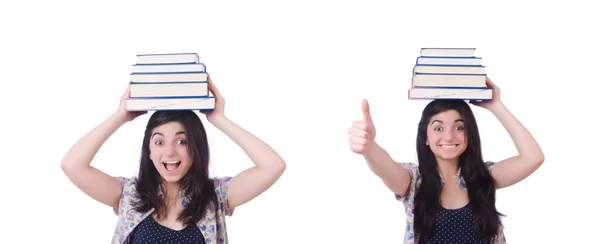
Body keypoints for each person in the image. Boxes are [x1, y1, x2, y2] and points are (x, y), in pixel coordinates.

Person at [61, 75, 287, 244]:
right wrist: (120, 116)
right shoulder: (129, 195)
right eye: (159, 142)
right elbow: (72, 165)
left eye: (182, 141)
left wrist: (219, 119)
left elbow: (272, 166)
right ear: (148, 151)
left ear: (196, 148)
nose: (169, 153)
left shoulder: (216, 196)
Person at [347, 77, 544, 244]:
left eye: (459, 128)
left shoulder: (484, 176)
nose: (449, 137)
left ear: (469, 134)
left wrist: (496, 106)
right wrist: (370, 147)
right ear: (425, 136)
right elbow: (386, 167)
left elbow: (533, 157)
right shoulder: (413, 180)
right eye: (438, 128)